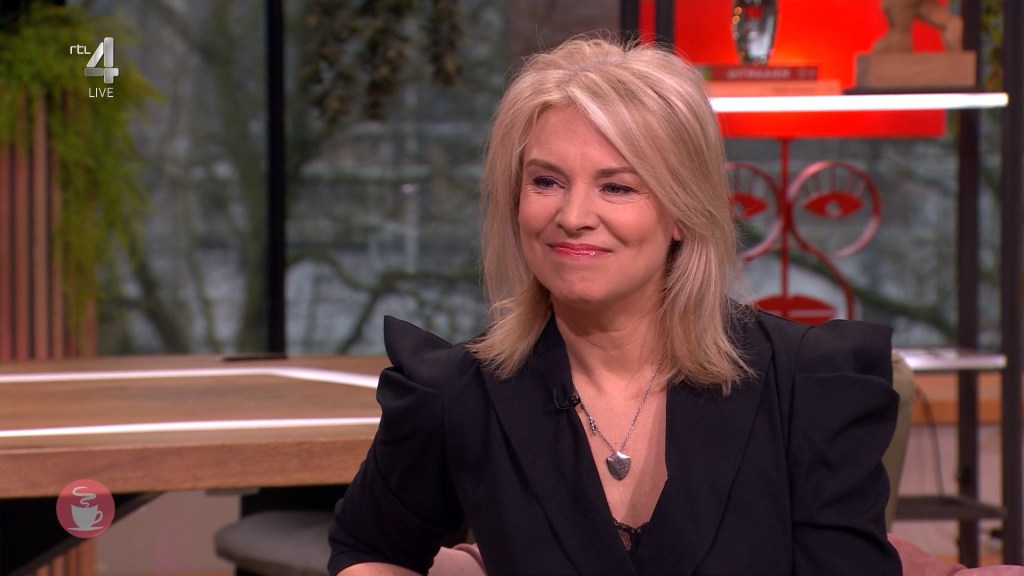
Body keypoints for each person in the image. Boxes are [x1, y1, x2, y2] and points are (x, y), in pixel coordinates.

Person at [328, 36, 901, 575]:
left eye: (617, 187)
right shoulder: (457, 395)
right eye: (546, 181)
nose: (573, 216)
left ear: (682, 213)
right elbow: (369, 547)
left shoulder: (803, 386)